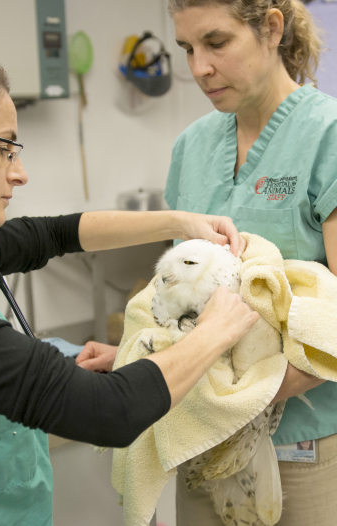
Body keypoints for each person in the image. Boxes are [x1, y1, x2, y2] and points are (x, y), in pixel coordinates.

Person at [0, 42, 258, 526]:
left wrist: (183, 222)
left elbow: (55, 233)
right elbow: (107, 413)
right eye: (4, 148)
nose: (19, 173)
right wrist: (216, 330)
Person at [162, 0, 337, 524]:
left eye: (216, 43)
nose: (199, 68)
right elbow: (173, 285)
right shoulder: (191, 147)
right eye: (188, 49)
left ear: (271, 28)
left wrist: (252, 394)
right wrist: (141, 351)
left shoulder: (326, 134)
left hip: (301, 443)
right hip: (202, 435)